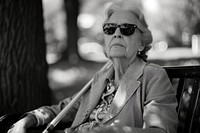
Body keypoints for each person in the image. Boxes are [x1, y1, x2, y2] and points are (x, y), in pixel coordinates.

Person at [8, 1, 178, 133]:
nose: (117, 33)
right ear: (105, 42)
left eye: (127, 29)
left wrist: (115, 131)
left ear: (141, 43)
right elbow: (63, 109)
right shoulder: (101, 78)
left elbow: (161, 130)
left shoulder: (153, 76)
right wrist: (29, 119)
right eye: (110, 29)